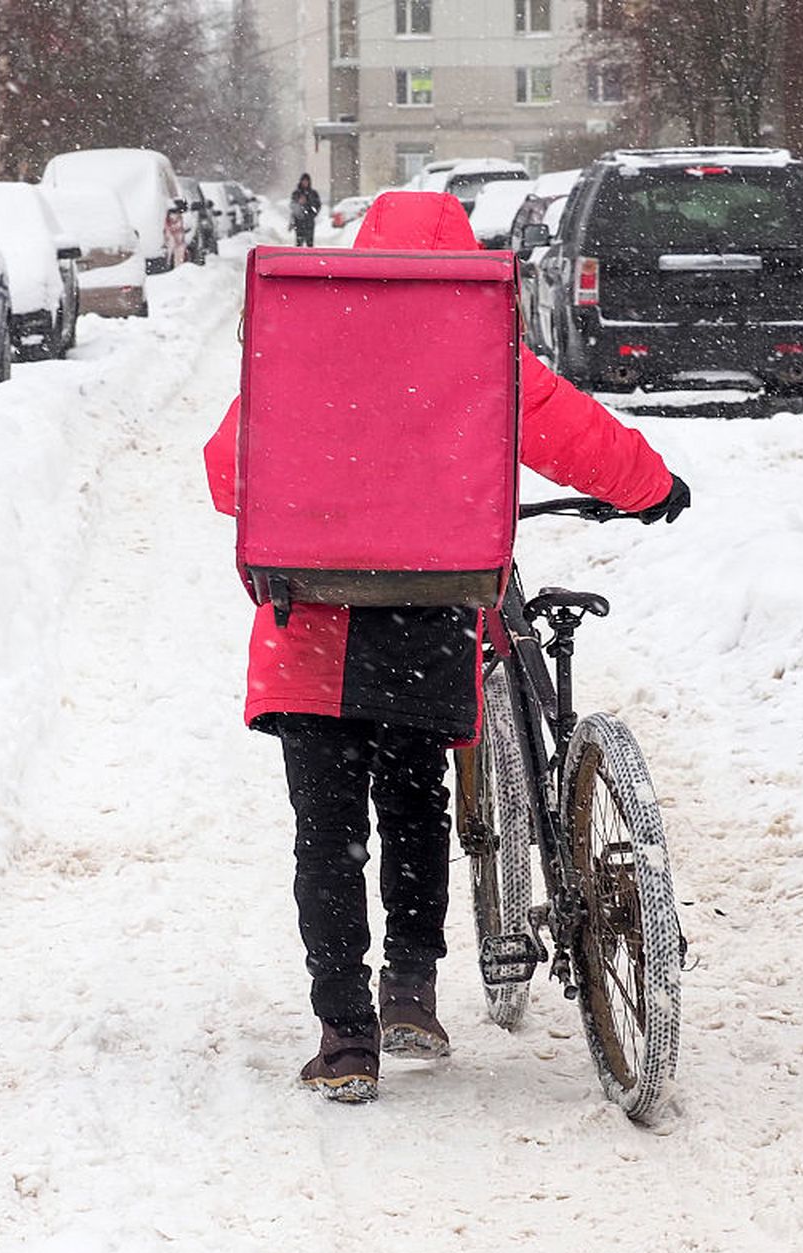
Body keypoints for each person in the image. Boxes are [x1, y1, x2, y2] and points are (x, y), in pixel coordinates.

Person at [202, 192, 691, 1104]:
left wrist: (336, 494)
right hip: (428, 616)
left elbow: (228, 474)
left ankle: (345, 1039)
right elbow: (568, 430)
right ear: (463, 258)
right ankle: (413, 995)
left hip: (312, 624)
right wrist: (650, 485)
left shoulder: (309, 344)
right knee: (418, 808)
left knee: (327, 837)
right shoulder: (477, 339)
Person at [288, 174, 322, 247]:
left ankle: (309, 258)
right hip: (299, 222)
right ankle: (299, 258)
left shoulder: (313, 193)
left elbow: (317, 206)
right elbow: (292, 206)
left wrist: (310, 211)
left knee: (310, 244)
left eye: (307, 181)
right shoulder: (296, 193)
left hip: (309, 222)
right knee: (299, 244)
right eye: (304, 181)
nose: (305, 182)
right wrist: (299, 203)